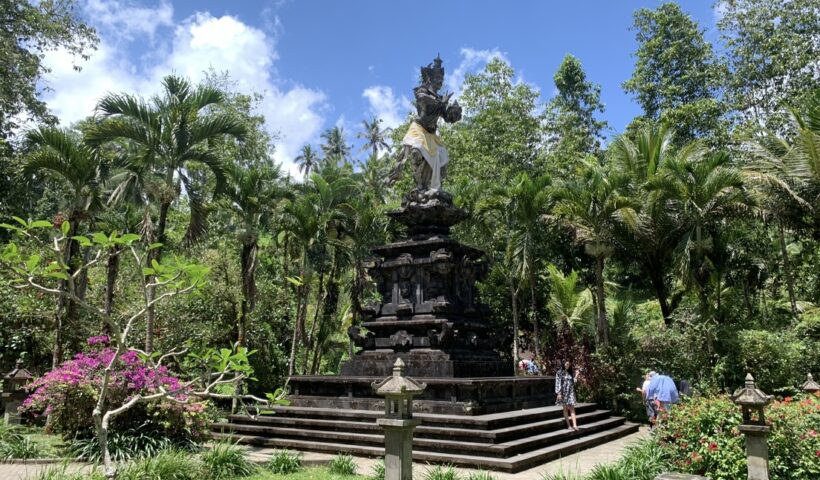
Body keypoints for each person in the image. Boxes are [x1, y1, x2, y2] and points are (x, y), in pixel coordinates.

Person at [555, 360, 580, 431]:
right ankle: (569, 425)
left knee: (572, 407)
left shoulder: (570, 373)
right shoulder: (559, 373)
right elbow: (557, 383)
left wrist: (576, 376)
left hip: (570, 392)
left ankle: (575, 425)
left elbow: (573, 382)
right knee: (565, 408)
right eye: (566, 364)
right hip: (563, 393)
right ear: (563, 364)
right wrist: (559, 393)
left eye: (568, 364)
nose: (567, 365)